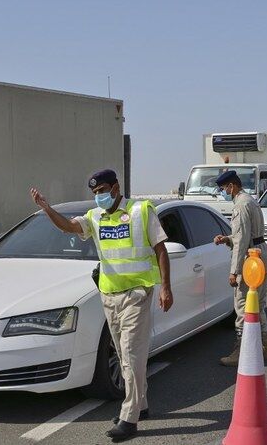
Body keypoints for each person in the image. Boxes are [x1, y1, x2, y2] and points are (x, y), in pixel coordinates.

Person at [30, 169, 173, 442]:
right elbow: (68, 227)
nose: (100, 196)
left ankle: (128, 417)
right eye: (95, 193)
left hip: (137, 293)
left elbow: (161, 249)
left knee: (131, 354)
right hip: (109, 295)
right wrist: (47, 209)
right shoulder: (95, 217)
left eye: (103, 190)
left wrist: (165, 287)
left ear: (116, 187)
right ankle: (140, 406)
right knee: (123, 355)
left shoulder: (142, 210)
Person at [213, 170, 267, 366]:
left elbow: (241, 241)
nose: (224, 192)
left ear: (232, 186)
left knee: (242, 306)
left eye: (224, 189)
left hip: (250, 261)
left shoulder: (240, 205)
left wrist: (234, 271)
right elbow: (248, 235)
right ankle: (266, 348)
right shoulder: (251, 201)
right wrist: (227, 239)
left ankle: (241, 352)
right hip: (261, 255)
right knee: (259, 305)